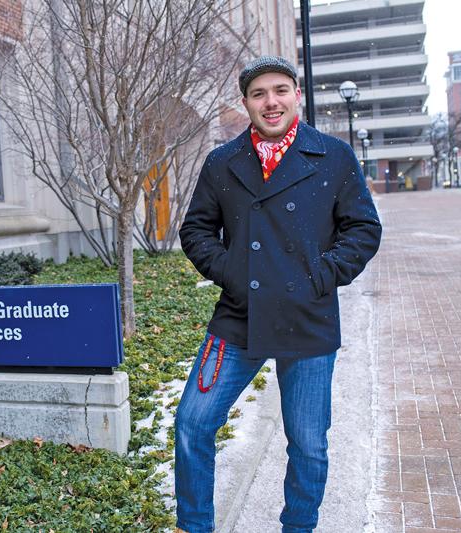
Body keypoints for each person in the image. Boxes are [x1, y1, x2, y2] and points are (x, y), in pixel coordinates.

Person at [174, 56, 382, 533]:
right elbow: (197, 230)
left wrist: (321, 276)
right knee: (193, 422)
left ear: (296, 95)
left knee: (308, 441)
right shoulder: (222, 161)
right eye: (259, 93)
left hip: (308, 317)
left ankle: (298, 526)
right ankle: (195, 526)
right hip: (238, 315)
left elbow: (363, 229)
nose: (271, 102)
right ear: (245, 102)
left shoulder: (333, 155)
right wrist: (231, 270)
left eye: (280, 90)